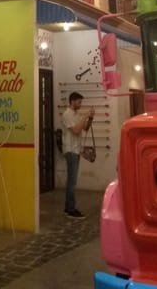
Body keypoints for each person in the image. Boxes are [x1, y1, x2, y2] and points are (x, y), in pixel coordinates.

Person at [61, 91, 95, 219]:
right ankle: (71, 210)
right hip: (70, 150)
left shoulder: (76, 114)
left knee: (72, 181)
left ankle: (67, 208)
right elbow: (76, 130)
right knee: (72, 182)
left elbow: (85, 128)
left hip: (76, 150)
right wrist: (85, 115)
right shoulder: (67, 114)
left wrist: (90, 118)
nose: (81, 104)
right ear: (72, 101)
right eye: (79, 102)